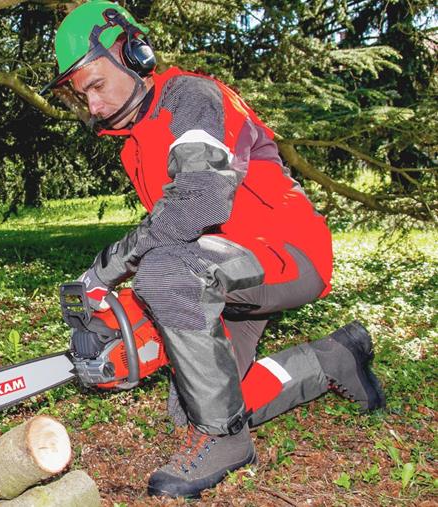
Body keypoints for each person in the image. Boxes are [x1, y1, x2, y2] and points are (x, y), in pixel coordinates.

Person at [44, 1, 385, 499]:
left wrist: (105, 272)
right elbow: (175, 230)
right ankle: (333, 358)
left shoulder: (193, 98)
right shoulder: (135, 143)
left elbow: (196, 203)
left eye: (96, 85)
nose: (93, 105)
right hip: (225, 264)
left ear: (134, 53)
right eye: (83, 95)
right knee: (201, 403)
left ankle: (226, 444)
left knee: (164, 276)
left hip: (288, 250)